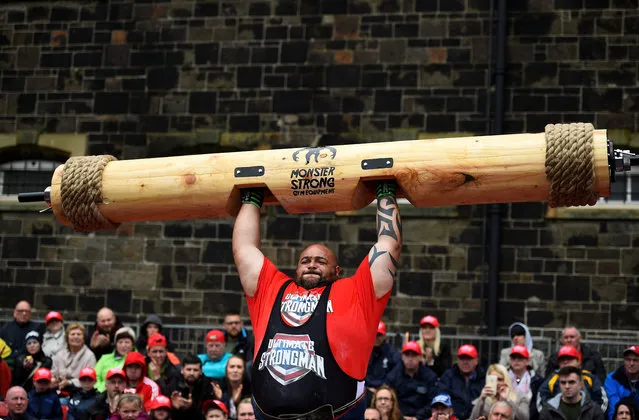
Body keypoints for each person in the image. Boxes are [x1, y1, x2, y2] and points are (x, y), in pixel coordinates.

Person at [232, 180, 402, 418]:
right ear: (296, 268)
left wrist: (385, 192)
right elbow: (244, 249)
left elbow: (388, 245)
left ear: (338, 271)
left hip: (338, 413)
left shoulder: (356, 291)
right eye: (305, 260)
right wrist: (251, 199)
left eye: (321, 261)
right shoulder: (273, 288)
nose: (312, 264)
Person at [538, 347, 607, 414]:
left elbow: (601, 400)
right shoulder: (552, 379)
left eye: (569, 359)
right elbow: (542, 401)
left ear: (578, 361)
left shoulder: (590, 378)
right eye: (562, 360)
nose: (565, 362)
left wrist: (591, 415)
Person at [385, 341, 437, 420]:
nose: (410, 359)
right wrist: (401, 417)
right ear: (402, 357)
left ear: (420, 357)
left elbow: (432, 402)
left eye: (414, 355)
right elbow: (389, 400)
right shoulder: (392, 376)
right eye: (407, 355)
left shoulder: (430, 377)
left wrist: (417, 417)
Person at [438, 344, 486, 420]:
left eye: (469, 359)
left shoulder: (484, 377)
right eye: (462, 359)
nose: (465, 362)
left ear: (476, 361)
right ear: (457, 360)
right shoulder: (448, 376)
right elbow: (442, 399)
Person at [540, 366, 604, 420]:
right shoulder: (548, 410)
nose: (567, 386)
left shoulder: (594, 410)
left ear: (581, 384)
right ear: (559, 384)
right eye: (563, 383)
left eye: (571, 382)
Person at [51, 323, 97, 391]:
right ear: (67, 338)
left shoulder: (90, 356)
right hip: (59, 390)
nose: (76, 337)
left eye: (79, 334)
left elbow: (90, 379)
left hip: (80, 391)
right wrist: (54, 380)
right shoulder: (59, 354)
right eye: (72, 334)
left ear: (83, 338)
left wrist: (70, 382)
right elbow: (53, 374)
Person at [168, 355, 215, 420]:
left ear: (201, 371)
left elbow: (207, 414)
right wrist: (174, 407)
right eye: (188, 369)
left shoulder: (207, 386)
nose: (192, 373)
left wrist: (191, 407)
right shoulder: (174, 384)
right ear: (182, 370)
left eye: (195, 370)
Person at [507, 346, 543, 420]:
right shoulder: (502, 377)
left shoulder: (537, 381)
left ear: (527, 361)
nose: (516, 361)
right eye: (513, 358)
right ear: (510, 361)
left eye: (520, 358)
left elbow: (537, 405)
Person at [94, 327, 136, 392]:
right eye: (120, 342)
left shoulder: (137, 360)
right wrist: (105, 389)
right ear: (116, 344)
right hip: (103, 393)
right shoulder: (104, 358)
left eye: (127, 342)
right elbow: (95, 377)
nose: (123, 345)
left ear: (132, 344)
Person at [366, 321, 401, 396]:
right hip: (366, 390)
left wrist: (381, 389)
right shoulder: (363, 352)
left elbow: (395, 374)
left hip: (386, 390)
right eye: (374, 334)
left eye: (379, 335)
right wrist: (367, 388)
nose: (376, 337)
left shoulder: (393, 353)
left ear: (384, 336)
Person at [605, 346, 639, 420]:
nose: (631, 363)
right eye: (628, 360)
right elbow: (613, 407)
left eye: (635, 360)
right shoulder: (613, 378)